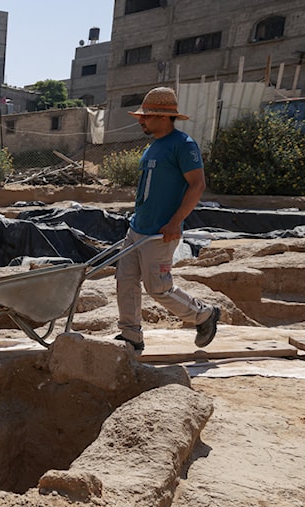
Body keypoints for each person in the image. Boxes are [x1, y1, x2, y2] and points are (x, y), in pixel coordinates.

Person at [114, 87, 220, 353]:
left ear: (163, 117)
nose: (141, 121)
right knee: (125, 281)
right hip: (138, 228)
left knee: (158, 288)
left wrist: (175, 222)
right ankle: (131, 336)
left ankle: (204, 315)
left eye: (146, 117)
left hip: (161, 232)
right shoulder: (153, 147)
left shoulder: (183, 145)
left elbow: (197, 185)